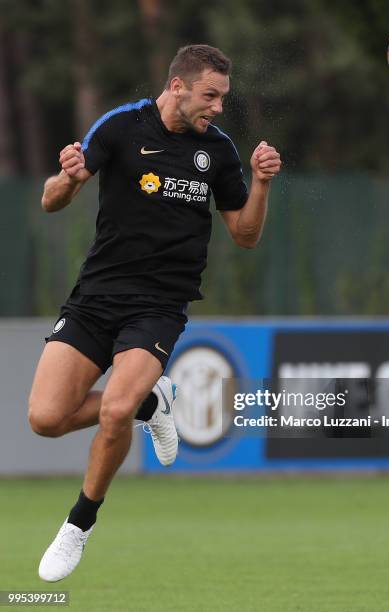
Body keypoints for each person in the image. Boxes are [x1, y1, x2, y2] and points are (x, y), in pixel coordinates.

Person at [28, 44, 281, 582]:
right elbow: (52, 201)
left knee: (114, 410)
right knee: (46, 419)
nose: (217, 107)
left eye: (223, 97)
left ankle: (78, 525)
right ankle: (153, 403)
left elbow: (245, 235)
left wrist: (260, 185)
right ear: (178, 87)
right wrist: (69, 178)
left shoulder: (218, 151)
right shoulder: (121, 127)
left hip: (159, 305)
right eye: (210, 95)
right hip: (95, 297)